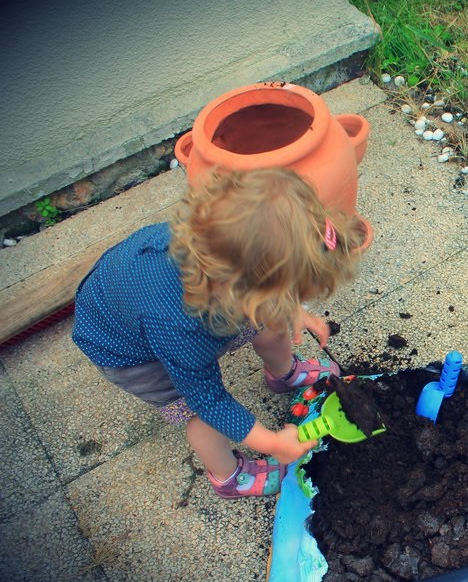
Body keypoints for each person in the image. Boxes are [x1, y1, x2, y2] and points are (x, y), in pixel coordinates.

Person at [72, 167, 362, 499]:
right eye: (288, 294)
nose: (292, 301)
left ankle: (283, 373)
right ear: (248, 293)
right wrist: (270, 442)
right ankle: (228, 477)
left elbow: (269, 279)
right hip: (128, 349)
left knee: (273, 323)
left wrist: (291, 309)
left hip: (186, 304)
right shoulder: (181, 327)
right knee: (199, 416)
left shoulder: (226, 253)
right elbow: (209, 401)